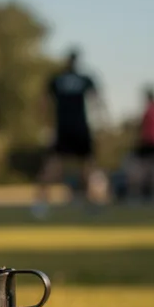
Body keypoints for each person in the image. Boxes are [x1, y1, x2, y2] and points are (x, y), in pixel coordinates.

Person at [34, 48, 103, 217]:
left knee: (54, 165)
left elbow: (43, 103)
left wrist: (46, 125)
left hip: (63, 128)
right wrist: (101, 124)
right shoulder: (84, 79)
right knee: (87, 167)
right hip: (80, 128)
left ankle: (41, 204)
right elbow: (97, 101)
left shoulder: (57, 79)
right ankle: (92, 203)